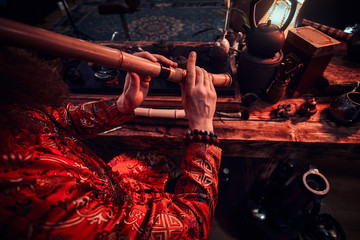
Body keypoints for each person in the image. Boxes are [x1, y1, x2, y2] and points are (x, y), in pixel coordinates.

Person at [0, 46, 222, 239]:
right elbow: (191, 226)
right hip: (116, 217)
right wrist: (202, 126)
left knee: (155, 159)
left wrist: (122, 105)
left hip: (111, 187)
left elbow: (57, 121)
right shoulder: (34, 199)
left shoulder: (9, 117)